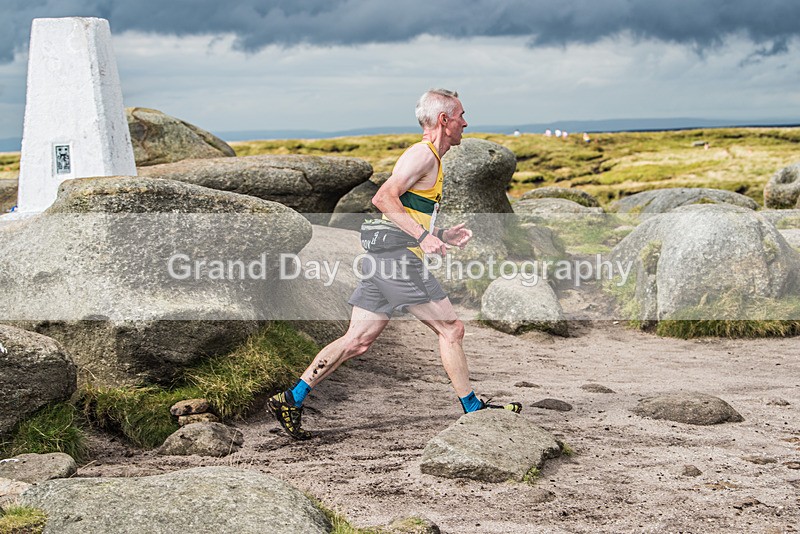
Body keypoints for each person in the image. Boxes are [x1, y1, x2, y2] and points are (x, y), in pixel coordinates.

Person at [268, 89, 521, 440]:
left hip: (385, 259)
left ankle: (290, 398)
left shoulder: (430, 158)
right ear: (444, 121)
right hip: (398, 262)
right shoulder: (423, 154)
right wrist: (422, 237)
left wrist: (440, 234)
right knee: (451, 329)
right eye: (461, 115)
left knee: (357, 341)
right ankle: (473, 408)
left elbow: (402, 209)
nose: (466, 122)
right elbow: (383, 197)